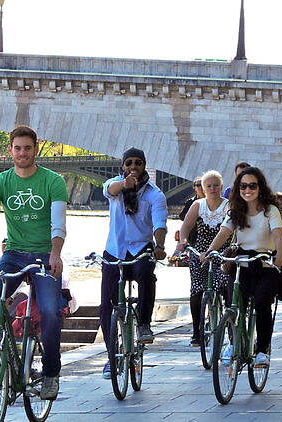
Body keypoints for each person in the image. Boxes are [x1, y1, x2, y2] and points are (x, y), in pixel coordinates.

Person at [0, 125, 67, 400]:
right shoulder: (0, 182)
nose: (22, 153)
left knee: (51, 312)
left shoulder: (53, 181)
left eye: (27, 148)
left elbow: (58, 224)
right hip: (14, 253)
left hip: (44, 254)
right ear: (10, 150)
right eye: (17, 148)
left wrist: (55, 254)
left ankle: (51, 373)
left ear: (35, 150)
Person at [201, 167, 282, 368]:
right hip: (241, 262)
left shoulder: (270, 210)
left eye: (252, 186)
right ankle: (233, 343)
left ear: (260, 188)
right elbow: (223, 232)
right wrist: (210, 251)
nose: (248, 190)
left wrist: (280, 257)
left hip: (265, 263)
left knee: (262, 304)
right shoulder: (236, 211)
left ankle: (262, 350)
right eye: (243, 186)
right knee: (233, 304)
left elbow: (278, 235)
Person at [99, 147, 167, 379]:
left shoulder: (154, 194)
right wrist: (125, 185)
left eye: (138, 163)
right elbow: (109, 189)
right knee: (106, 305)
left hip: (140, 248)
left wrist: (159, 246)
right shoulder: (115, 185)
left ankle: (144, 323)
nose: (133, 167)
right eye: (129, 163)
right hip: (115, 250)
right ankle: (111, 357)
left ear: (144, 165)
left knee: (146, 274)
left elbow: (159, 224)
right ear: (123, 166)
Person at [176, 170, 230, 346]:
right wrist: (183, 241)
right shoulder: (198, 205)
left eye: (216, 185)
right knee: (196, 291)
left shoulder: (229, 206)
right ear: (203, 189)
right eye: (209, 186)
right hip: (199, 253)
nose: (212, 189)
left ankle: (230, 328)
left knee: (226, 286)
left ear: (221, 187)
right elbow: (186, 227)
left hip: (223, 252)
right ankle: (197, 331)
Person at [176, 176, 205, 246]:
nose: (200, 187)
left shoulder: (210, 201)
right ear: (194, 188)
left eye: (202, 185)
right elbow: (182, 216)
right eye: (198, 185)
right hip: (193, 234)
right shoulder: (190, 202)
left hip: (206, 233)